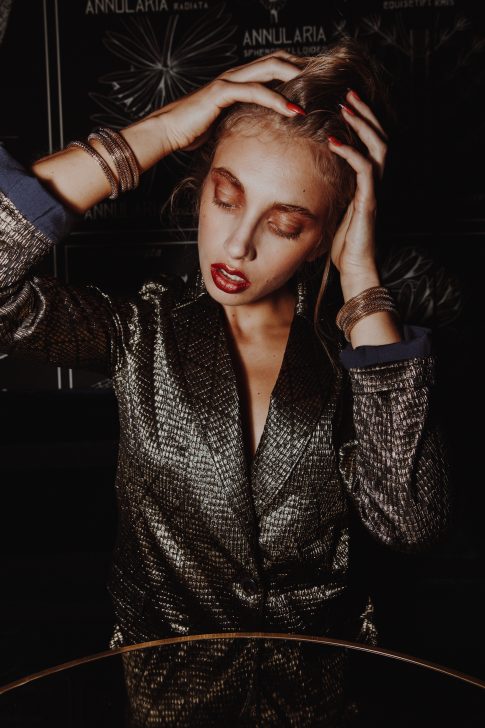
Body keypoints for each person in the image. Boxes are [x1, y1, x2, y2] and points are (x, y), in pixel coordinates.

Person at [0, 37, 451, 724]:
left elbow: (410, 524)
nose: (238, 246)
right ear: (200, 186)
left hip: (320, 703)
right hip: (166, 697)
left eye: (286, 224)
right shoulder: (140, 330)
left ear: (326, 234)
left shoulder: (358, 359)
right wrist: (158, 132)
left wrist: (361, 283)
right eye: (227, 197)